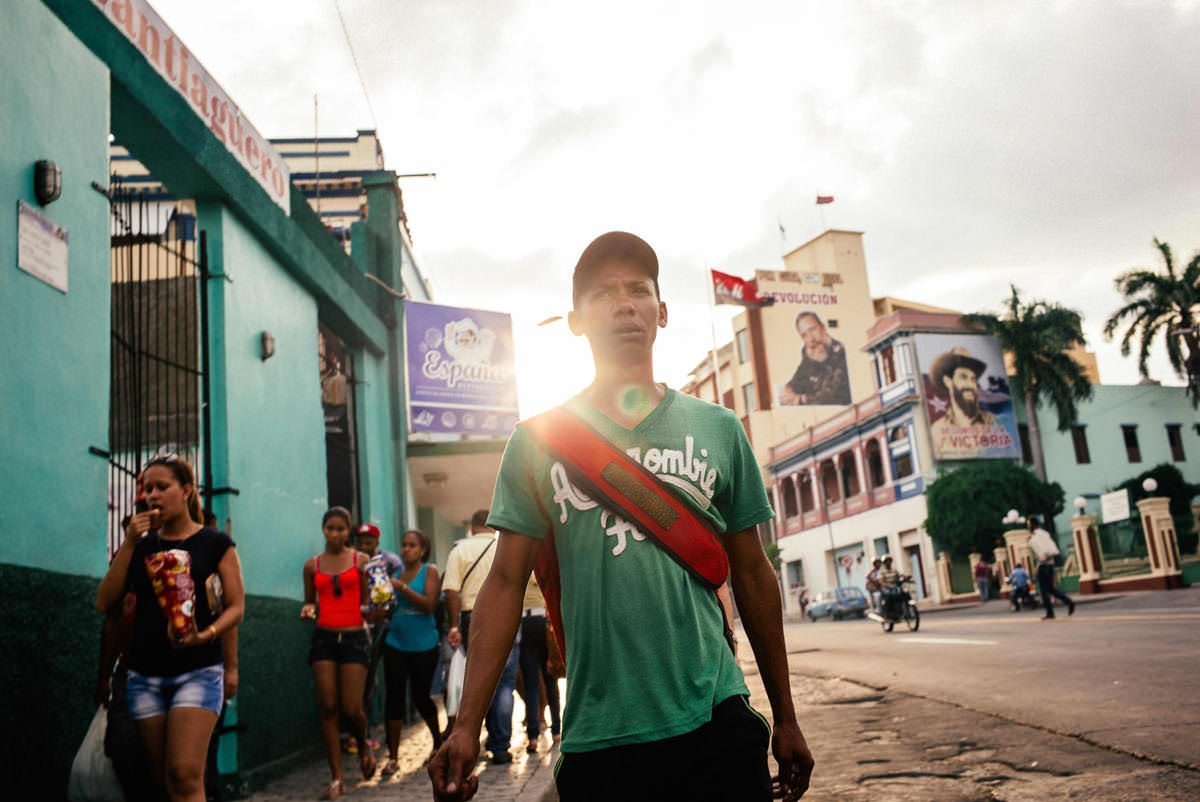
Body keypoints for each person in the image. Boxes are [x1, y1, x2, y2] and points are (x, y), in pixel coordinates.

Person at [430, 231, 814, 802]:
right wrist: (465, 726)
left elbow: (753, 573)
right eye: (603, 293)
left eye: (638, 290)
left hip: (717, 718)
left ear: (661, 312)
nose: (624, 302)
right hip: (599, 738)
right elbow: (505, 584)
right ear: (576, 320)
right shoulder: (536, 442)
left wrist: (784, 714)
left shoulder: (719, 429)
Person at [95, 454, 245, 802]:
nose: (153, 495)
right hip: (145, 677)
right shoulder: (141, 545)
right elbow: (105, 603)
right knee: (163, 782)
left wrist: (206, 638)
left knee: (184, 774)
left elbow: (236, 607)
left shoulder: (216, 544)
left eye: (163, 487)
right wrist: (131, 542)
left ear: (186, 490)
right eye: (149, 489)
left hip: (199, 671)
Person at [301, 507, 376, 800]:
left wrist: (374, 611)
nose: (335, 534)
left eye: (341, 529)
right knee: (329, 707)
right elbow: (309, 602)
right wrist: (308, 610)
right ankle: (337, 778)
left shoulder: (362, 562)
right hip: (324, 639)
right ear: (323, 530)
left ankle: (363, 745)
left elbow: (371, 603)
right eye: (330, 528)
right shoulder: (312, 565)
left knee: (351, 708)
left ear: (349, 531)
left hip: (355, 637)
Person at [441, 509, 520, 765]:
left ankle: (478, 737)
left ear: (472, 527)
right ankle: (500, 745)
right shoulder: (502, 548)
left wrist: (453, 626)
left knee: (478, 678)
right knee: (506, 682)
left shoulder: (459, 551)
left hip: (471, 618)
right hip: (507, 615)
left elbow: (451, 591)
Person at [379, 529, 444, 777]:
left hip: (424, 643)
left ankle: (437, 742)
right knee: (393, 698)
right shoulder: (393, 573)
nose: (406, 549)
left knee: (420, 696)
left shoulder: (430, 571)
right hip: (395, 641)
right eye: (404, 545)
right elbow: (386, 608)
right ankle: (393, 757)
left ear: (422, 550)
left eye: (412, 545)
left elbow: (429, 604)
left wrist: (402, 588)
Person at [516, 575, 561, 754]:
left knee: (531, 683)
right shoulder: (538, 564)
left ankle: (533, 736)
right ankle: (557, 730)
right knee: (551, 679)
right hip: (543, 621)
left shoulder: (518, 564)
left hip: (524, 623)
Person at [779, 311, 851, 406]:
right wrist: (788, 390)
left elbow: (834, 394)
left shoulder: (841, 352)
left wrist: (800, 399)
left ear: (823, 328)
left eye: (812, 330)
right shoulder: (809, 353)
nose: (811, 338)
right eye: (804, 335)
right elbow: (799, 380)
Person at [1027, 516, 1075, 620]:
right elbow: (1051, 547)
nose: (1028, 527)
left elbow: (1040, 550)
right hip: (1050, 564)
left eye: (1029, 524)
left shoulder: (1035, 536)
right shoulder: (1045, 533)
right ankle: (1068, 601)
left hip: (1043, 564)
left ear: (1033, 525)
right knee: (1051, 589)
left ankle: (1050, 613)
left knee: (1044, 590)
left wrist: (1031, 542)